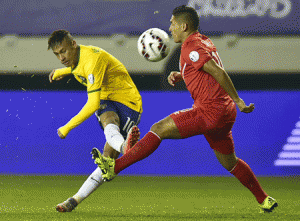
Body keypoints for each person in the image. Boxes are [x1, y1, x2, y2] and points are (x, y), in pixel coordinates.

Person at [92, 6, 278, 213]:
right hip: (225, 114)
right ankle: (265, 199)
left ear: (184, 26)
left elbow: (217, 71)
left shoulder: (191, 47)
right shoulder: (203, 40)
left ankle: (114, 168)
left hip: (210, 111)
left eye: (172, 23)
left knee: (158, 128)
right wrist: (183, 73)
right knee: (230, 163)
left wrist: (239, 100)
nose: (170, 28)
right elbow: (205, 68)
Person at [48, 29, 142, 212]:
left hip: (129, 103)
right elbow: (77, 67)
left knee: (108, 160)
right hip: (108, 100)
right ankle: (73, 201)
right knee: (108, 151)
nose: (61, 57)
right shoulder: (77, 59)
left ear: (73, 44)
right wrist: (62, 71)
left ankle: (122, 149)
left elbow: (92, 104)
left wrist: (67, 127)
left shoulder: (92, 60)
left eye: (64, 51)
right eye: (57, 54)